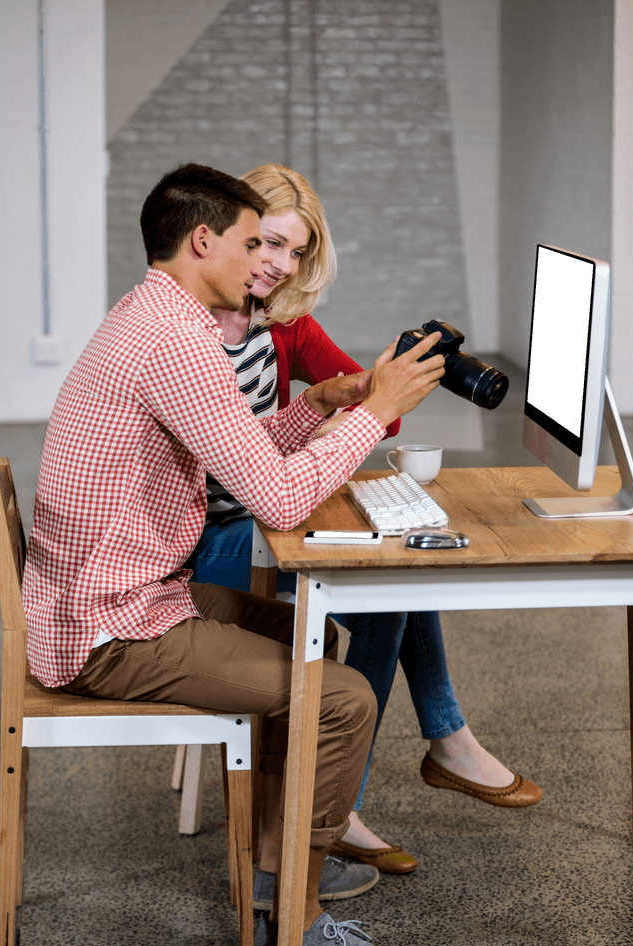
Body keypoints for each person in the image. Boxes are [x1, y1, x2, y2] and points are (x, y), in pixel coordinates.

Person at [22, 162, 449, 946]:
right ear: (204, 240)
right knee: (343, 695)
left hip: (123, 592)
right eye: (254, 242)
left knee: (314, 633)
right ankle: (293, 918)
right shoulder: (177, 343)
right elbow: (278, 499)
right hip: (109, 628)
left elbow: (242, 461)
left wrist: (320, 404)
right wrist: (372, 411)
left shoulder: (156, 317)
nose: (269, 264)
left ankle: (274, 865)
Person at [184, 164, 542, 899]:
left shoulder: (267, 321)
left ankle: (415, 756)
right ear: (230, 235)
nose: (279, 264)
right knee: (388, 583)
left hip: (248, 516)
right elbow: (246, 478)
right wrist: (344, 414)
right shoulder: (195, 335)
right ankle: (368, 785)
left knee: (397, 564)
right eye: (270, 243)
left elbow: (352, 417)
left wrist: (352, 392)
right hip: (212, 547)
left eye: (296, 253)